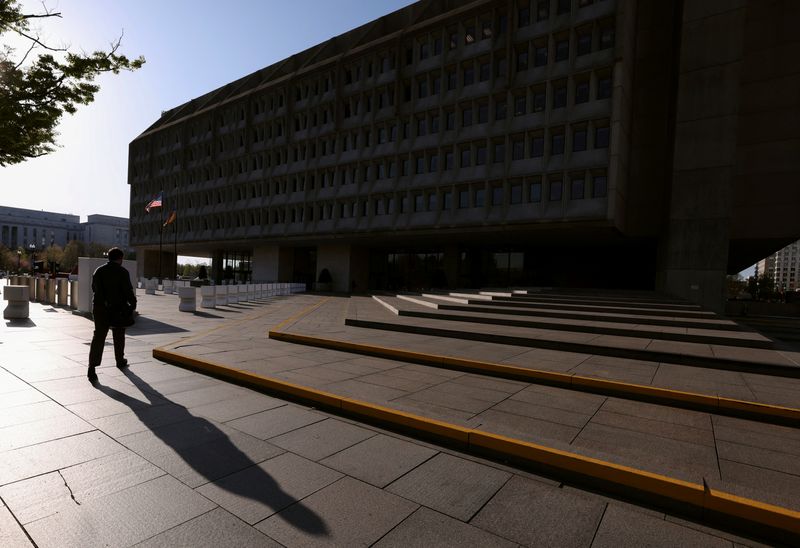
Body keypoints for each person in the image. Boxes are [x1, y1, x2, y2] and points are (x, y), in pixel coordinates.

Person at [88, 247, 136, 382]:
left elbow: (94, 288)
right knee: (119, 334)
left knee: (99, 337)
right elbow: (128, 292)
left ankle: (92, 368)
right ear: (120, 259)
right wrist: (132, 305)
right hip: (117, 309)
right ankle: (120, 360)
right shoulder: (122, 272)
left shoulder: (98, 271)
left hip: (99, 308)